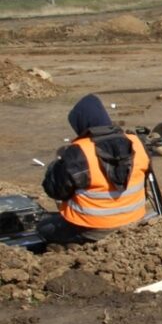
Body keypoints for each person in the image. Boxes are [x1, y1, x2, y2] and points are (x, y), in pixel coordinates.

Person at [39, 94, 153, 244]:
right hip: (133, 221)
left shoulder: (79, 152)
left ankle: (73, 248)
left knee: (43, 228)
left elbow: (55, 190)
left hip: (92, 229)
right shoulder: (136, 143)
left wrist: (57, 166)